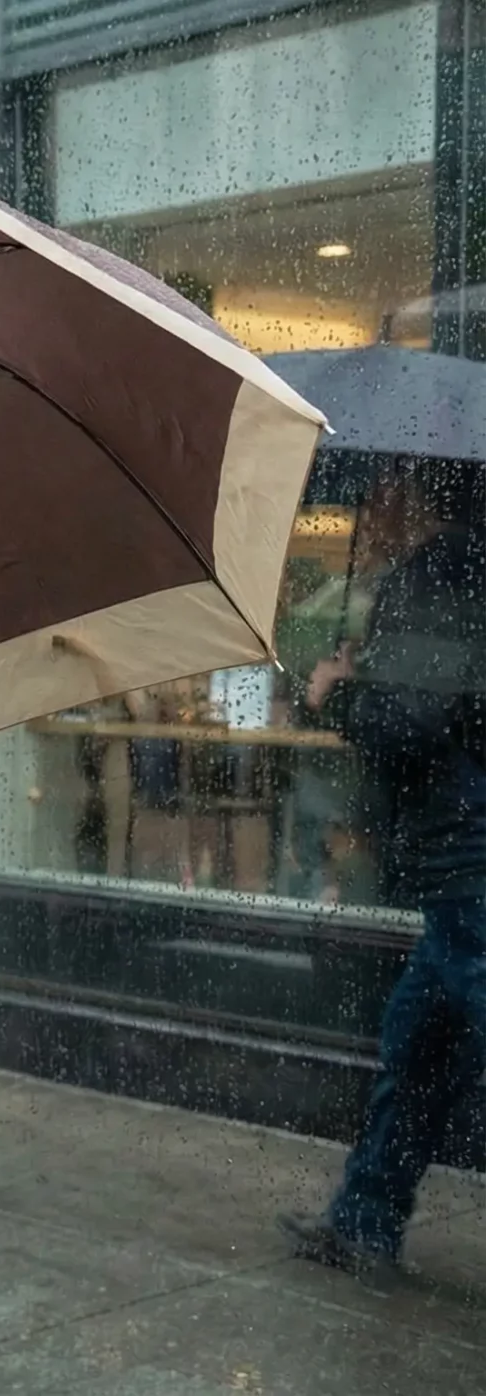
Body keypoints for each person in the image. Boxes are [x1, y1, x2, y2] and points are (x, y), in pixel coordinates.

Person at [281, 463, 486, 1288]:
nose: (369, 509)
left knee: (424, 1048)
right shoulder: (456, 570)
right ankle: (364, 1222)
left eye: (379, 493)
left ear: (414, 494)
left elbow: (416, 718)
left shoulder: (441, 571)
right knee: (421, 1049)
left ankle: (364, 1222)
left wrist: (336, 693)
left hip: (469, 860)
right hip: (459, 873)